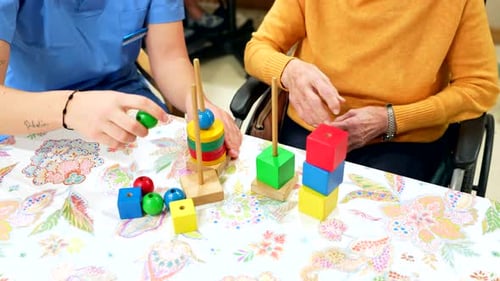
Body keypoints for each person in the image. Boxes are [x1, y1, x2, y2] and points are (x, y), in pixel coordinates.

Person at [244, 0, 499, 182]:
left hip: (402, 141)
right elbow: (258, 48)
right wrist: (289, 69)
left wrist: (392, 120)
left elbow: (480, 86)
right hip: (311, 129)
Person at [0, 0, 241, 158]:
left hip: (125, 98)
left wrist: (196, 101)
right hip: (29, 110)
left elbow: (170, 58)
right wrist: (69, 107)